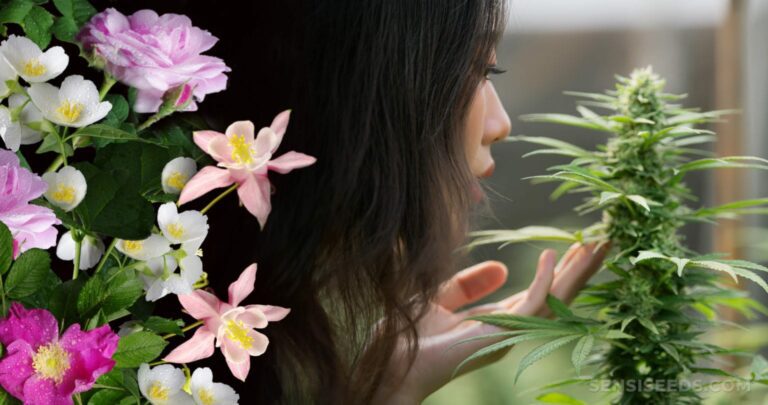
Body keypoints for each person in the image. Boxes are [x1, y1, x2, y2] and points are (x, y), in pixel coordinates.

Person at [107, 0, 608, 403]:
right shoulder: (129, 341)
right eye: (480, 71)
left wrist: (389, 387)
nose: (500, 125)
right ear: (359, 89)